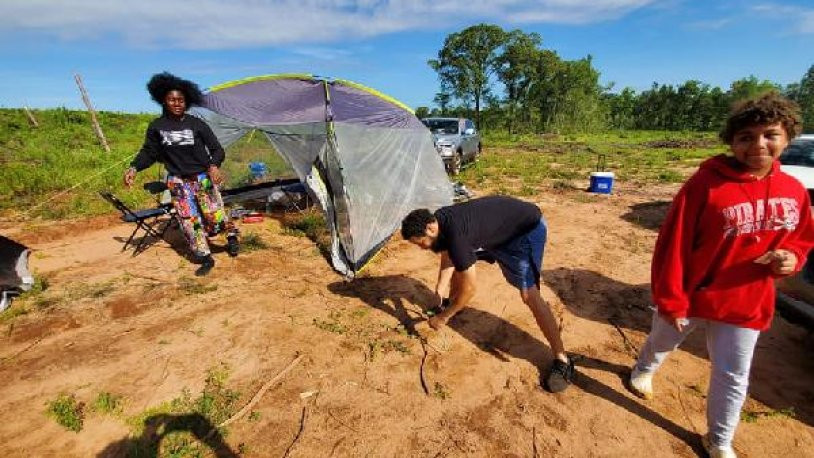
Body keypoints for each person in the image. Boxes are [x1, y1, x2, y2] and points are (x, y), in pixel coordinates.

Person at [627, 92, 814, 458]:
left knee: (733, 374)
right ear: (732, 142)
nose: (758, 144)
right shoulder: (706, 186)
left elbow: (802, 239)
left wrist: (792, 258)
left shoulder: (793, 192)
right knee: (663, 341)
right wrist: (671, 300)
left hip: (747, 300)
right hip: (694, 295)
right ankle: (643, 369)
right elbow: (673, 246)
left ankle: (719, 439)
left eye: (770, 135)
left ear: (788, 136)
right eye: (746, 137)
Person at [401, 195, 574, 393]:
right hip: (498, 234)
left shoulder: (457, 237)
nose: (422, 248)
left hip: (525, 232)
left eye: (421, 242)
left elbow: (470, 289)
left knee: (529, 295)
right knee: (461, 263)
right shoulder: (440, 219)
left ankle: (563, 360)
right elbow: (449, 255)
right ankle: (451, 303)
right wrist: (440, 291)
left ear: (431, 228)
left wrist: (443, 318)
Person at [124, 72, 238, 276]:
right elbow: (149, 153)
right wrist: (134, 168)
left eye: (181, 100)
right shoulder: (157, 127)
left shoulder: (196, 124)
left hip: (202, 178)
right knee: (189, 220)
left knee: (215, 216)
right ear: (163, 101)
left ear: (186, 101)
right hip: (178, 182)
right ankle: (205, 257)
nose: (177, 103)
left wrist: (214, 166)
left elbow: (217, 149)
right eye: (172, 100)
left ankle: (230, 236)